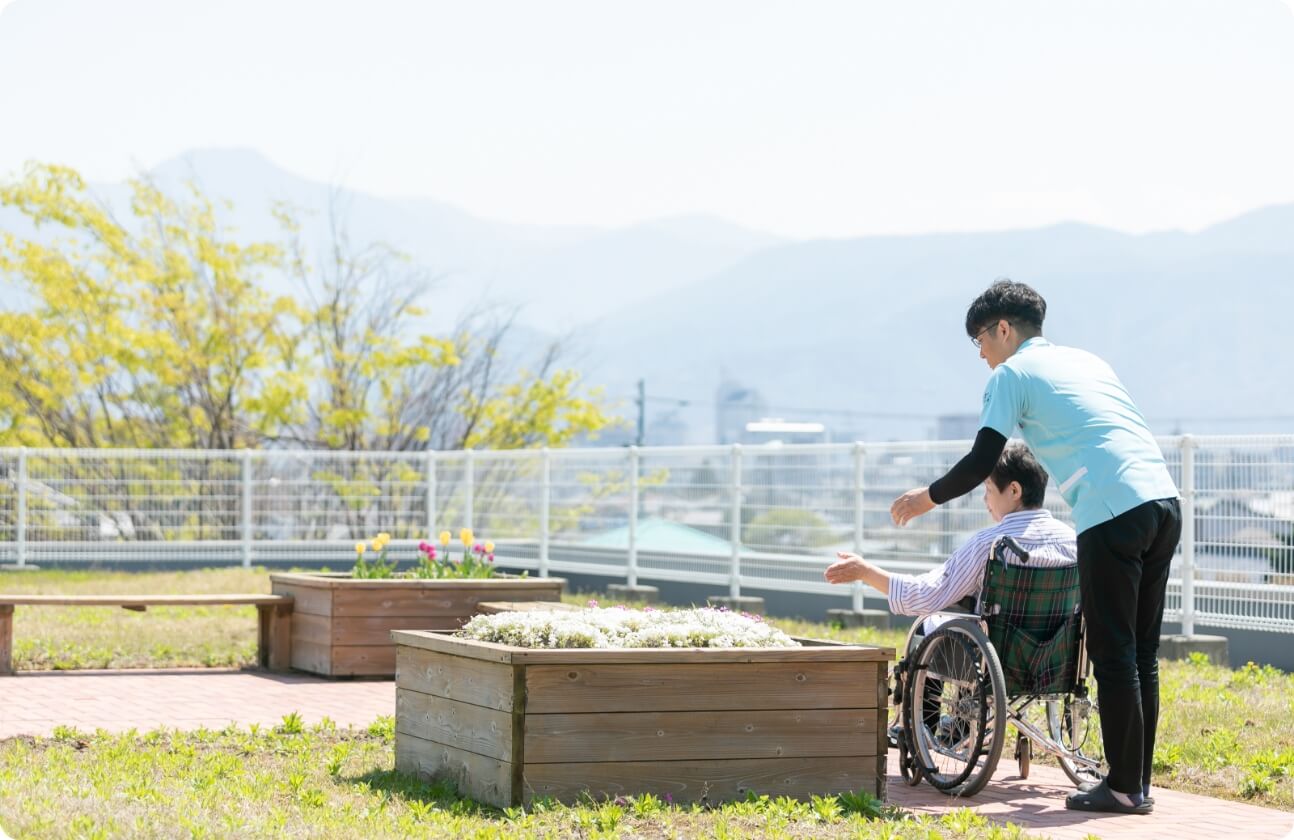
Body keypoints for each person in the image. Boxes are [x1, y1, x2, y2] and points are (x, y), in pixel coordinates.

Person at [889, 279, 1181, 815]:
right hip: (1163, 503)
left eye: (979, 338)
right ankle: (1135, 782)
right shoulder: (1087, 361)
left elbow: (984, 461)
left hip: (1111, 514)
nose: (979, 352)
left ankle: (1122, 789)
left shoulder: (1013, 374)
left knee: (1115, 655)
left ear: (1004, 328)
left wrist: (925, 498)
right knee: (1142, 654)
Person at [824, 442, 1076, 618]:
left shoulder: (990, 546)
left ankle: (923, 697)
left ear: (1014, 491)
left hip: (996, 660)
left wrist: (865, 572)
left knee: (931, 626)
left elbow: (926, 596)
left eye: (987, 489)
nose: (984, 500)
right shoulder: (1074, 541)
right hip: (1055, 662)